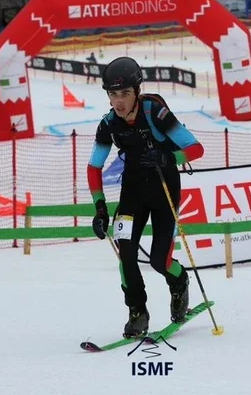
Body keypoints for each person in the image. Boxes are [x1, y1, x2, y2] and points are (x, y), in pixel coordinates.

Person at [87, 56, 205, 338]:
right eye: (113, 94)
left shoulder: (155, 112)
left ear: (136, 92)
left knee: (158, 261)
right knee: (125, 252)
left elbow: (195, 149)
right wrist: (100, 209)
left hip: (164, 188)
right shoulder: (108, 124)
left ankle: (179, 282)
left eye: (125, 93)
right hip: (133, 191)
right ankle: (137, 311)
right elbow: (94, 167)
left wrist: (167, 157)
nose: (119, 101)